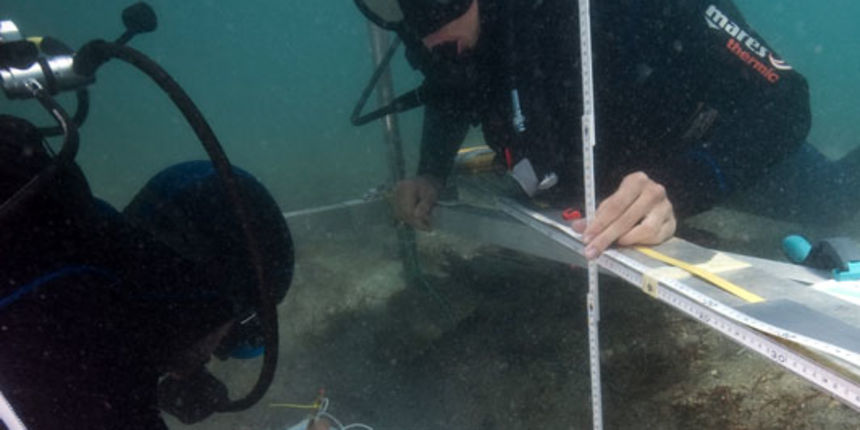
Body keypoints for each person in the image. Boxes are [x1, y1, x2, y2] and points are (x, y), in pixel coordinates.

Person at [356, 0, 816, 258]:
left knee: (833, 198)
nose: (431, 32)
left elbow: (785, 101)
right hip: (610, 183)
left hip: (715, 152)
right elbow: (455, 90)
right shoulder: (461, 35)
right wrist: (432, 171)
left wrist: (680, 186)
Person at [0, 115, 293, 429]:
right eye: (226, 337)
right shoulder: (87, 364)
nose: (212, 358)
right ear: (211, 294)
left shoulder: (69, 242)